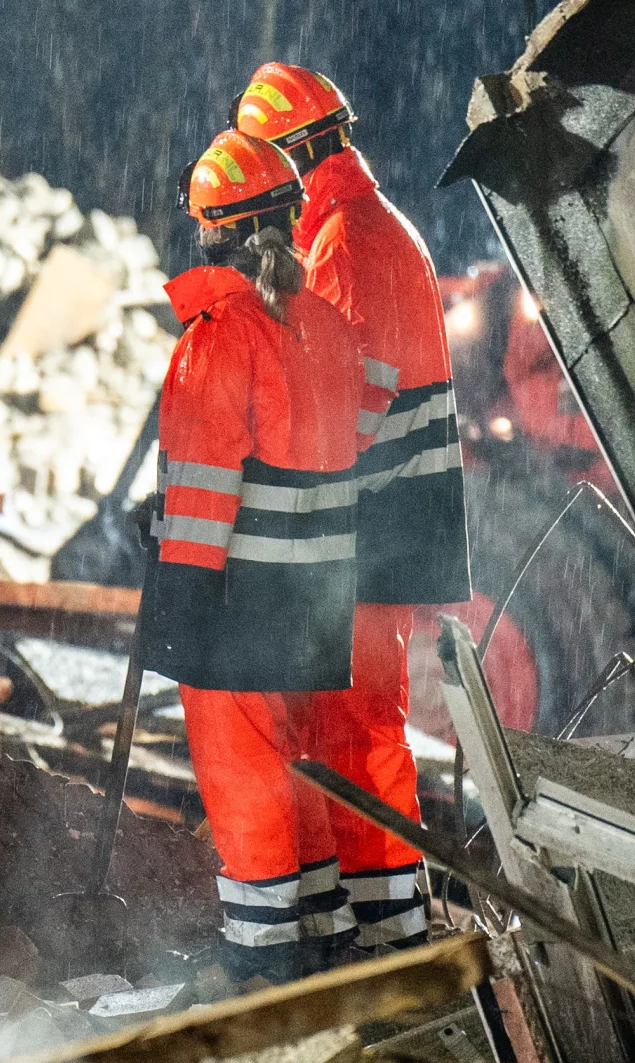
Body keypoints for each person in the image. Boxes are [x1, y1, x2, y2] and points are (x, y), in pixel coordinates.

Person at [230, 61, 466, 951]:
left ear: (288, 158)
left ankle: (385, 925)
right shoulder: (368, 224)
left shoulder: (346, 239)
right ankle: (379, 916)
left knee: (358, 722)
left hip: (375, 523)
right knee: (354, 720)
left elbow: (352, 393)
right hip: (391, 518)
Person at [136, 128, 367, 976]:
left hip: (239, 597)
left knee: (244, 773)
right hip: (316, 597)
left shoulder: (217, 337)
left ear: (213, 231)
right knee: (299, 763)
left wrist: (177, 594)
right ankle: (320, 923)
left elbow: (201, 493)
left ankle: (264, 956)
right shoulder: (330, 332)